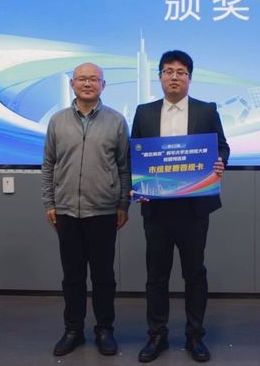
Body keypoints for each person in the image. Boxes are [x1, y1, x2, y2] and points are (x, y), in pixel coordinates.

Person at [131, 50, 229, 363]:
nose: (174, 77)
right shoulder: (144, 112)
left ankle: (194, 335)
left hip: (194, 208)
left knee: (194, 274)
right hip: (156, 209)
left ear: (190, 77)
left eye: (181, 72)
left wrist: (219, 162)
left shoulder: (206, 110)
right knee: (156, 276)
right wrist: (138, 185)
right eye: (168, 71)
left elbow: (222, 147)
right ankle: (157, 336)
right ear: (160, 76)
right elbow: (135, 154)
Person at [41, 62, 132, 356]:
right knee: (72, 277)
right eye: (82, 79)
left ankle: (105, 330)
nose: (88, 83)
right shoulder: (57, 121)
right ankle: (73, 330)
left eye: (94, 79)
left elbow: (124, 167)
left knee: (104, 277)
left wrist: (123, 204)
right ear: (72, 84)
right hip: (66, 211)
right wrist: (50, 202)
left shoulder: (116, 121)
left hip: (104, 211)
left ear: (103, 85)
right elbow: (48, 164)